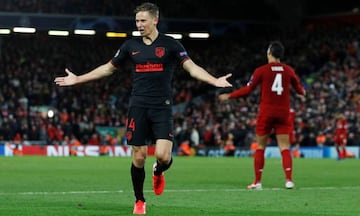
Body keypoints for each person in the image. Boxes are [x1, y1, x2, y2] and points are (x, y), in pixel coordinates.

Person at [54, 2, 232, 214]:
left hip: (162, 107)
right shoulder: (130, 46)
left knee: (163, 156)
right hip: (138, 105)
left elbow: (192, 68)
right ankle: (139, 200)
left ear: (155, 20)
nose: (139, 24)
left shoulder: (172, 45)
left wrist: (214, 81)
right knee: (138, 156)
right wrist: (78, 79)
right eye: (137, 21)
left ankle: (159, 171)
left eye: (143, 20)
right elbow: (108, 68)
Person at [219, 41, 305, 190]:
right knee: (284, 148)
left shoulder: (261, 70)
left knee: (260, 147)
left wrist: (230, 96)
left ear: (269, 53)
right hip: (283, 113)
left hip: (266, 112)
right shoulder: (289, 70)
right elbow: (299, 89)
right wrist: (303, 93)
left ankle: (257, 182)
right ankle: (289, 180)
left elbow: (248, 90)